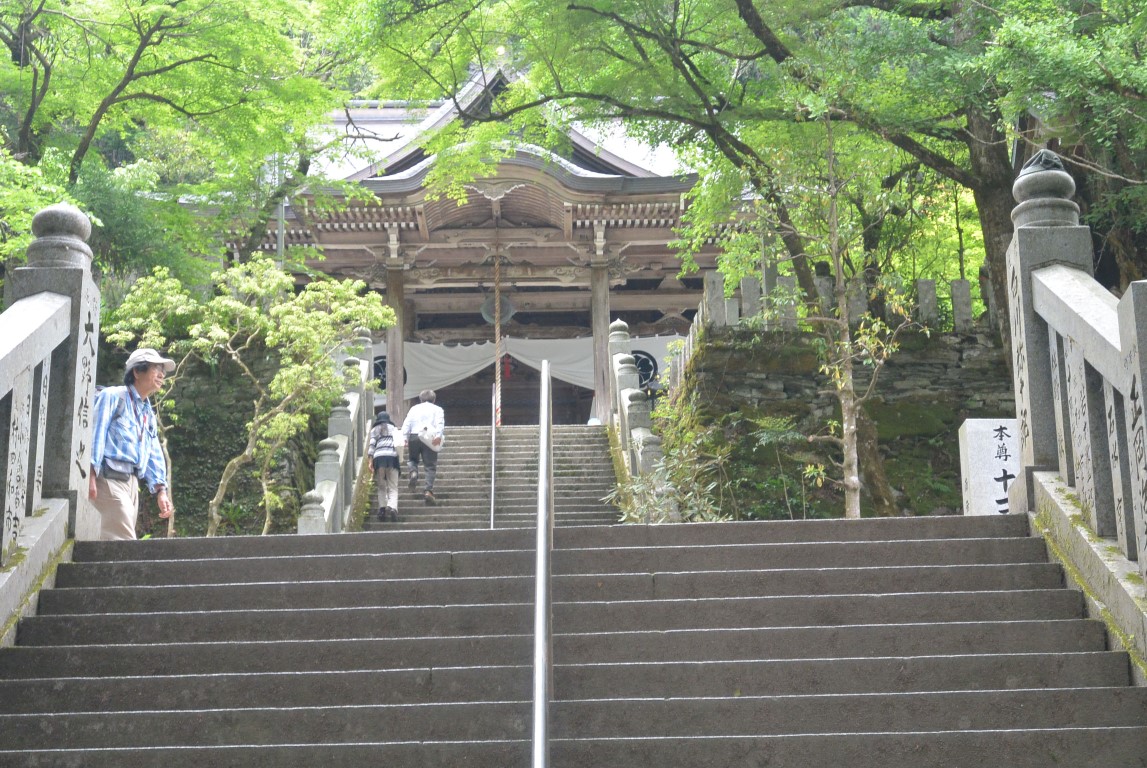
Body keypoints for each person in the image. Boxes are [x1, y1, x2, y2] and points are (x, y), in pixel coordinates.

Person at [88, 348, 176, 540]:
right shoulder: (112, 396)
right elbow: (96, 433)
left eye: (163, 370)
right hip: (109, 478)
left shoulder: (147, 411)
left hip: (132, 484)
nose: (162, 374)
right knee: (124, 542)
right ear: (137, 371)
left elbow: (153, 451)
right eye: (156, 368)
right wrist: (90, 475)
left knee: (113, 543)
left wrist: (161, 490)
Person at [401, 389, 445, 505]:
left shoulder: (414, 409)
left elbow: (407, 423)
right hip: (429, 438)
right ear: (434, 400)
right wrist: (438, 436)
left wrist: (404, 437)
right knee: (430, 465)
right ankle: (428, 491)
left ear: (420, 399)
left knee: (412, 459)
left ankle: (413, 472)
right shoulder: (438, 409)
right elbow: (440, 423)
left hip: (414, 436)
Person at [367, 411, 403, 522]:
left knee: (381, 486)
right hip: (392, 457)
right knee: (393, 486)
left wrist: (370, 461)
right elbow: (399, 443)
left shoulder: (374, 430)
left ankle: (382, 509)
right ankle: (392, 507)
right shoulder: (394, 429)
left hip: (379, 458)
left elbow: (372, 446)